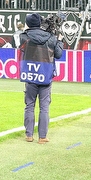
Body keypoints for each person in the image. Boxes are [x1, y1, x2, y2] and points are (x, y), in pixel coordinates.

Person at [18, 13, 63, 143]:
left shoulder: (24, 37)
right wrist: (59, 40)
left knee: (29, 105)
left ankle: (29, 135)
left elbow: (18, 46)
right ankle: (42, 136)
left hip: (30, 73)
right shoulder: (50, 37)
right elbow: (58, 54)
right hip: (45, 73)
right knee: (44, 106)